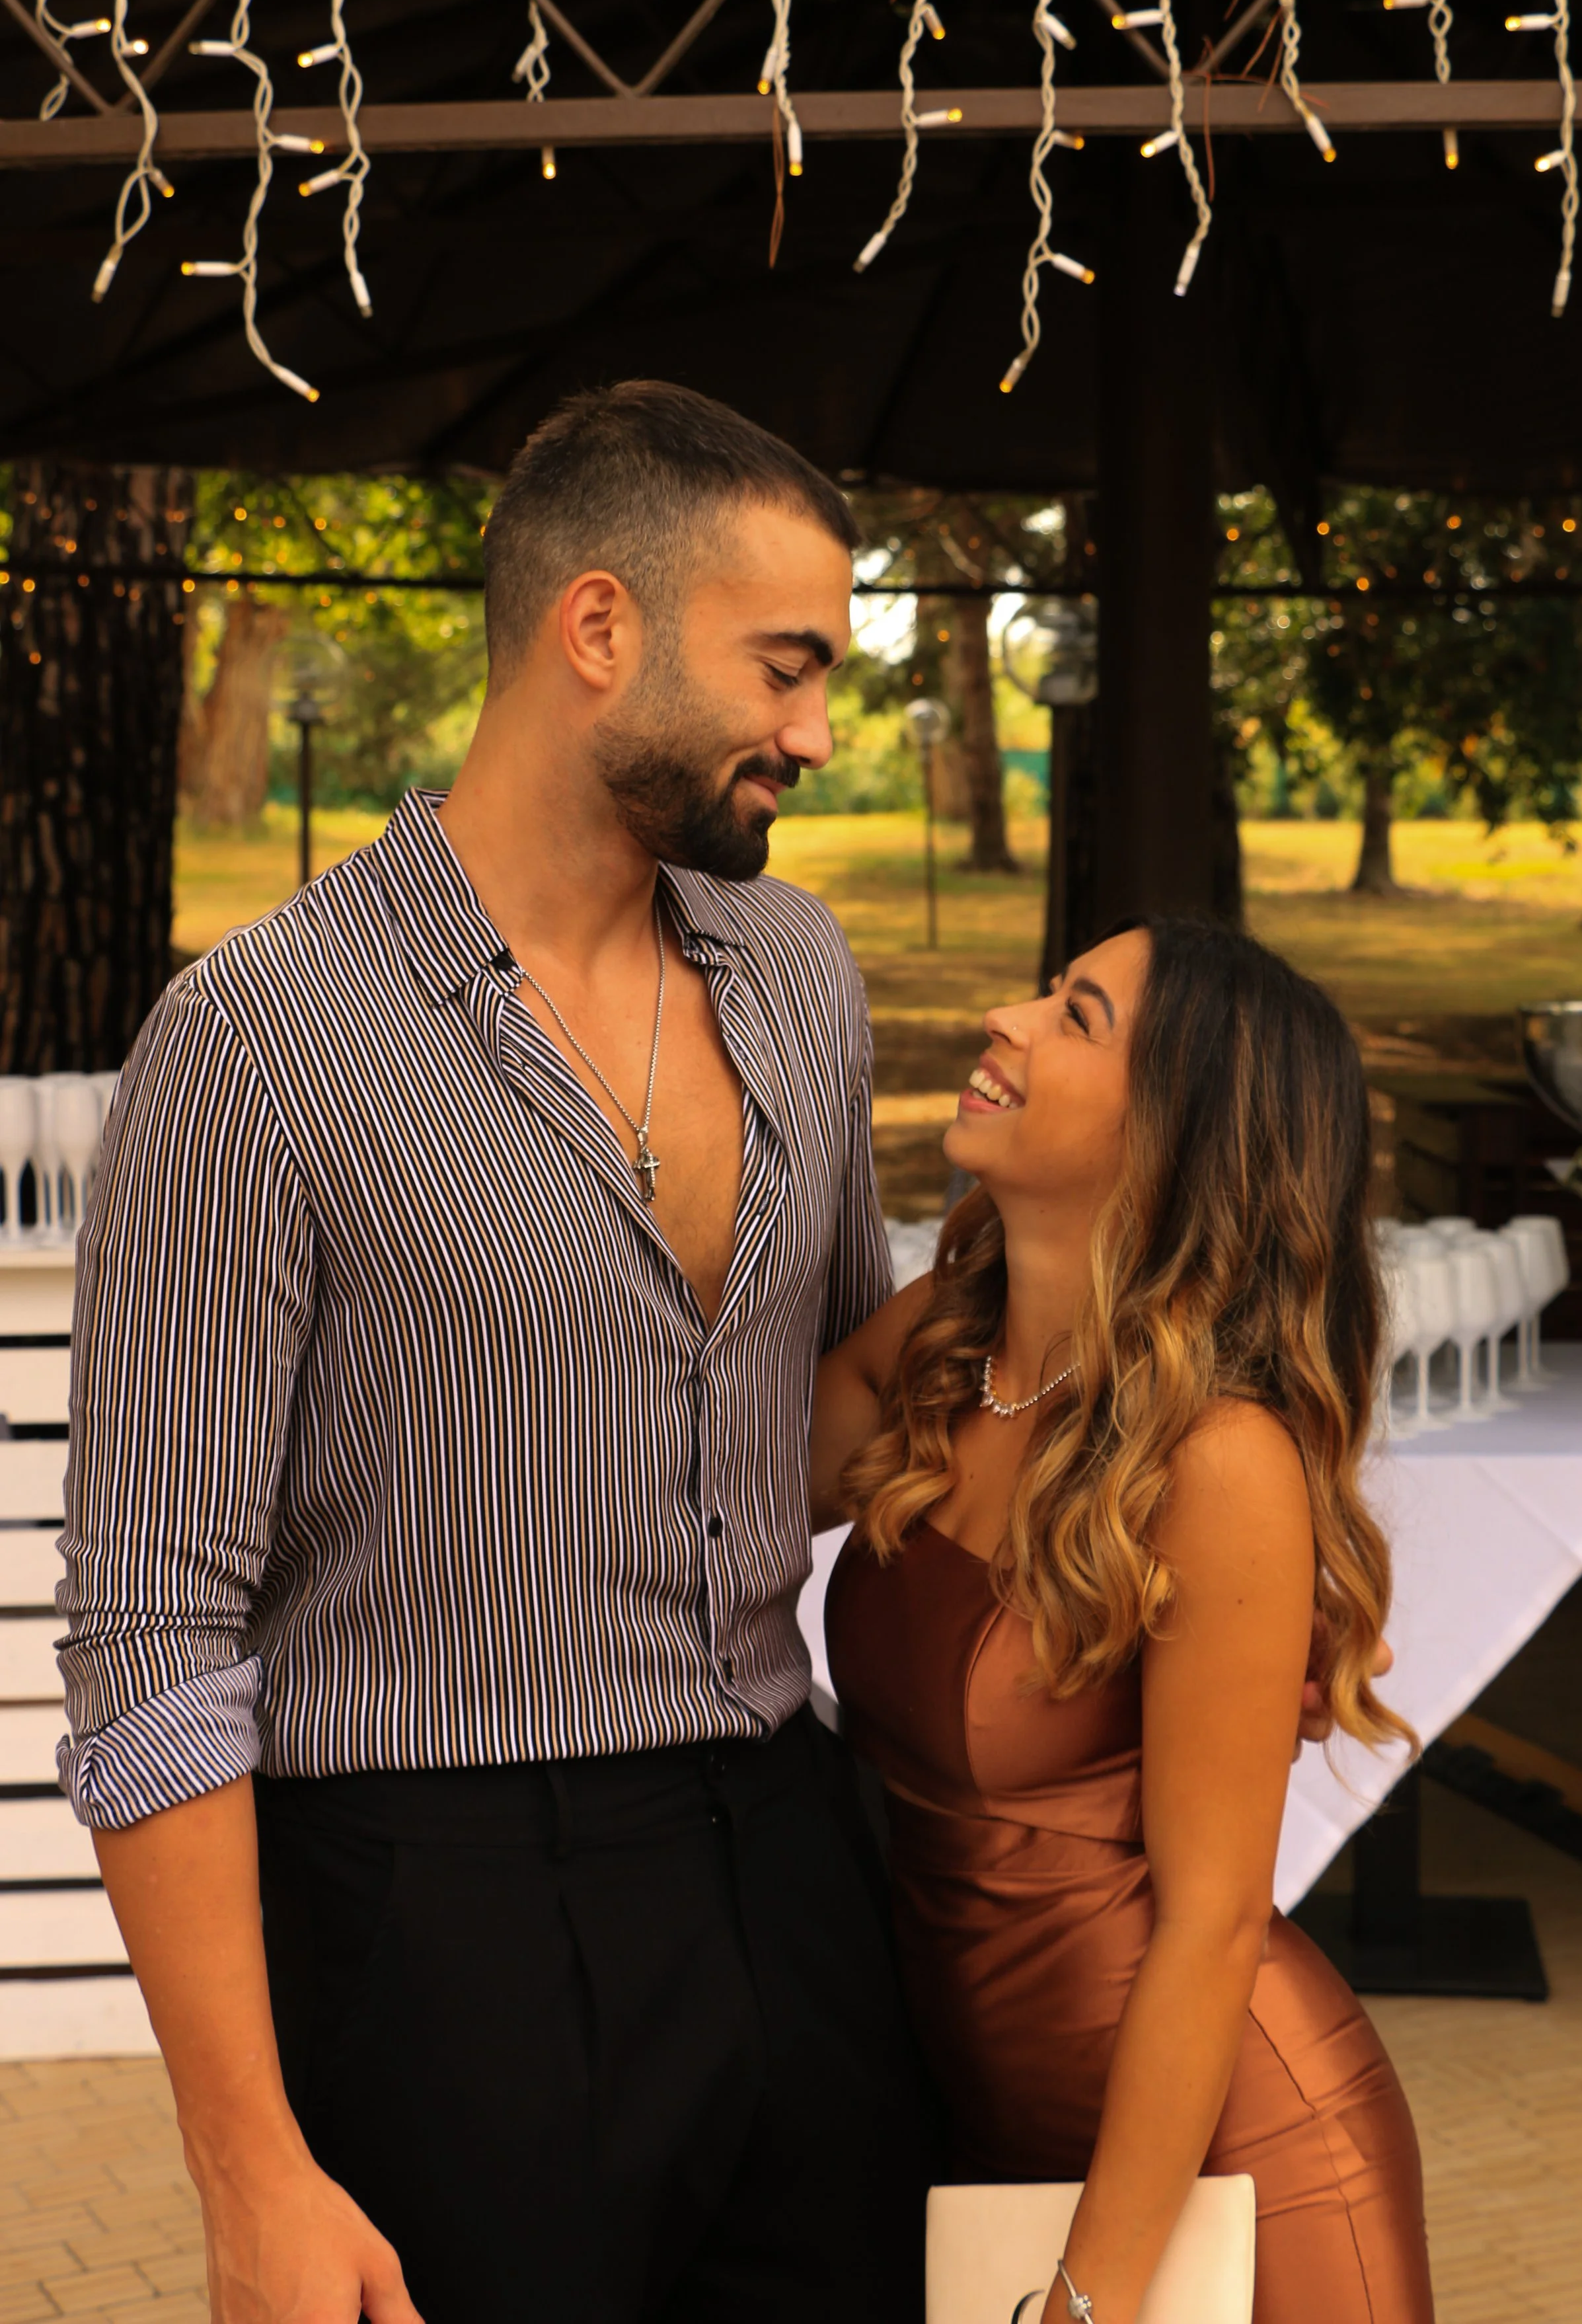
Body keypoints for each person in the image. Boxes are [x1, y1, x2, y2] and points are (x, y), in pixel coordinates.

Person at [56, 381, 938, 2323]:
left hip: (791, 1852)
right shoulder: (258, 1037)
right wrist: (249, 2164)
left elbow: (822, 1430)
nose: (814, 729)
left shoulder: (792, 972)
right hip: (440, 1916)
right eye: (784, 666)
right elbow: (150, 1634)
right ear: (597, 628)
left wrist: (1105, 1236)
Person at [814, 917, 1435, 2324]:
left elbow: (1211, 1929)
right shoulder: (947, 1342)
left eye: (1075, 1014)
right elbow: (693, 1482)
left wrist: (1084, 2300)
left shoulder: (1216, 1463)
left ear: (1176, 1130)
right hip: (992, 2137)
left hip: (1228, 2173)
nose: (1004, 1016)